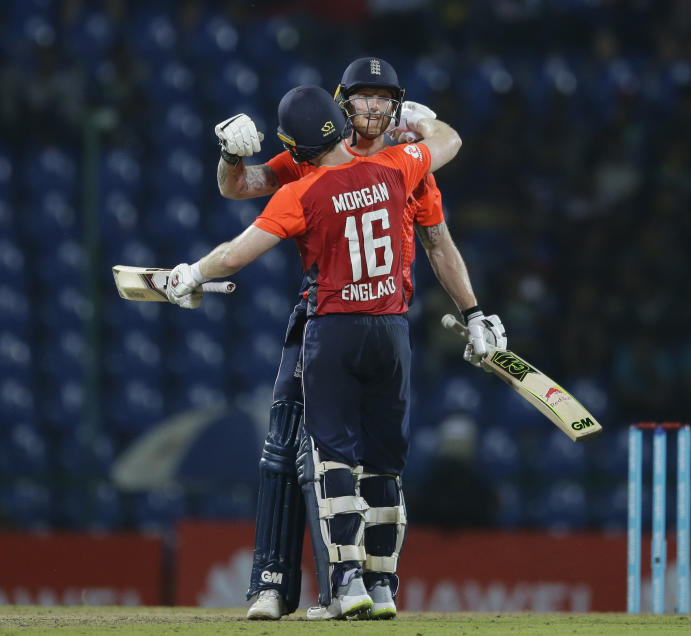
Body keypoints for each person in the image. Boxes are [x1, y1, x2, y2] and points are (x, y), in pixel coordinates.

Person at [168, 85, 504, 621]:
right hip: (393, 328)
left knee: (333, 462)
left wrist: (192, 272)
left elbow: (235, 253)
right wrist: (423, 119)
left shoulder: (301, 192)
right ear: (342, 117)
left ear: (296, 147)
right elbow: (449, 143)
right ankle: (386, 585)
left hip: (334, 328)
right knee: (386, 466)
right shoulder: (399, 167)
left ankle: (346, 584)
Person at [213, 58, 455, 621]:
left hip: (371, 315)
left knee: (342, 457)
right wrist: (230, 155)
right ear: (343, 104)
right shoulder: (316, 150)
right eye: (362, 97)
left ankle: (346, 587)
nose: (371, 108)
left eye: (383, 98)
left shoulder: (403, 165)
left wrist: (474, 309)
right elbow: (241, 185)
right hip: (323, 311)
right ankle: (273, 585)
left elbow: (440, 244)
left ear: (396, 105)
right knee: (285, 446)